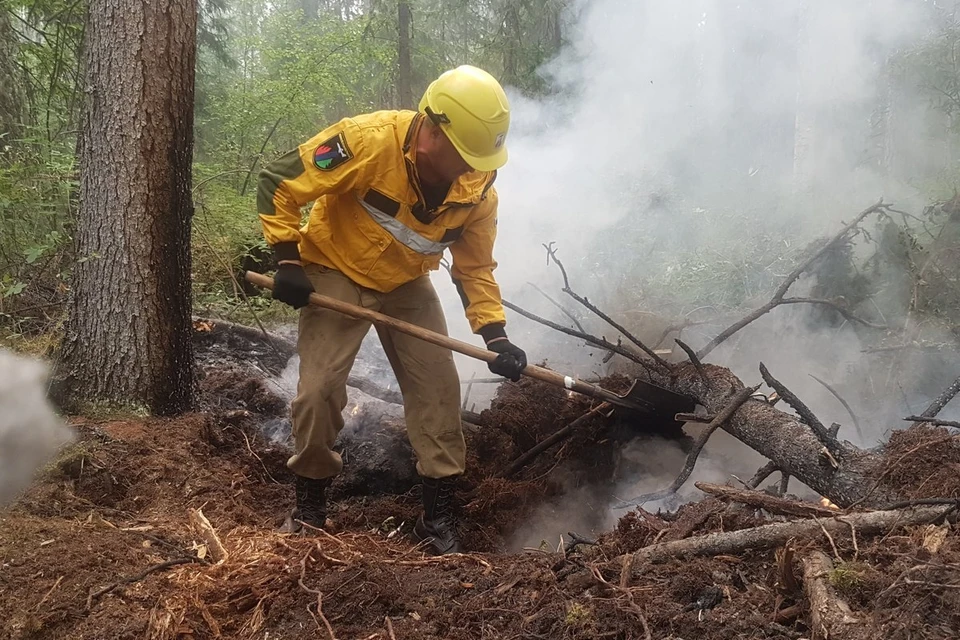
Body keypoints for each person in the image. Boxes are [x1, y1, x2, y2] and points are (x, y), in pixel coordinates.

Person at [257, 65, 527, 555]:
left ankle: (439, 513)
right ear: (431, 131)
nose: (473, 168)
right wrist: (287, 260)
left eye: (479, 159)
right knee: (318, 391)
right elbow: (280, 181)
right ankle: (311, 506)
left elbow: (474, 270)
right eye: (465, 155)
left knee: (438, 390)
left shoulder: (478, 189)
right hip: (334, 267)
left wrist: (497, 337)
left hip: (406, 280)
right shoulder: (366, 141)